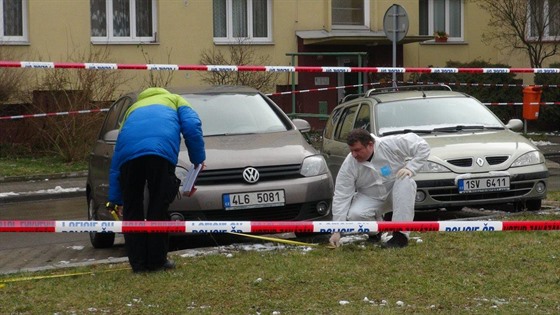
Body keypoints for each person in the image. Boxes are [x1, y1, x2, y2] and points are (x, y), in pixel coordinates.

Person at [106, 87, 206, 273]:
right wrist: (197, 160)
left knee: (132, 209)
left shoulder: (133, 108)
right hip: (160, 153)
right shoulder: (176, 100)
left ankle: (138, 264)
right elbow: (192, 127)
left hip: (128, 157)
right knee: (158, 206)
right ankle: (157, 261)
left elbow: (117, 153)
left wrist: (117, 199)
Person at [329, 128, 430, 248]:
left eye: (357, 150)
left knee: (406, 180)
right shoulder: (349, 164)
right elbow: (342, 195)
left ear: (370, 145)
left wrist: (411, 168)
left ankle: (400, 236)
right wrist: (337, 230)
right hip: (370, 197)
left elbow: (422, 146)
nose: (354, 155)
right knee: (355, 214)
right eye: (351, 151)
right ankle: (376, 232)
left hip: (397, 193)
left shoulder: (390, 144)